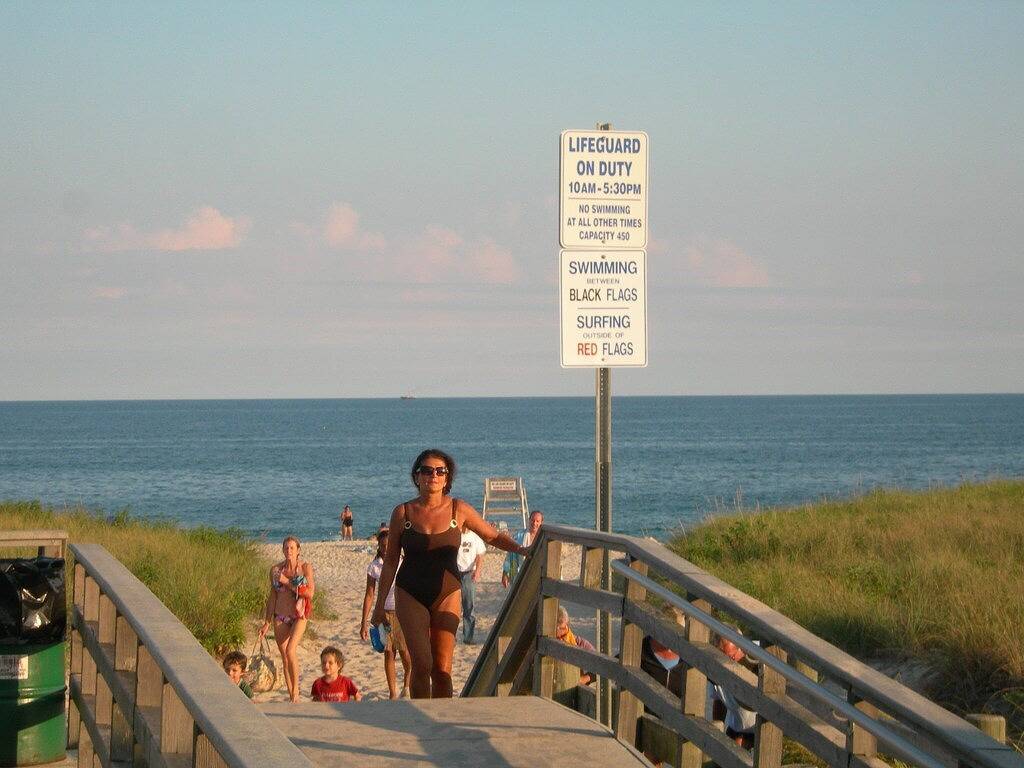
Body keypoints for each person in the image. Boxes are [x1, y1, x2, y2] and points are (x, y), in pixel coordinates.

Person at [370, 448, 530, 699]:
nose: (433, 475)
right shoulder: (402, 513)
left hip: (447, 591)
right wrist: (379, 605)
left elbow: (492, 535)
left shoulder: (459, 510)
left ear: (447, 478)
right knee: (421, 666)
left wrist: (522, 549)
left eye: (439, 471)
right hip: (410, 592)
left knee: (442, 669)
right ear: (417, 476)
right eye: (426, 470)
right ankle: (422, 718)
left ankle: (442, 721)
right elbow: (390, 562)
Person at [258, 536, 314, 702]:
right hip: (280, 616)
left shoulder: (305, 568)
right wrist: (267, 622)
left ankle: (296, 690)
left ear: (298, 551)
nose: (289, 551)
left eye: (292, 548)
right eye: (286, 548)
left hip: (299, 615)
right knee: (284, 656)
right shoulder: (275, 570)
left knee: (291, 650)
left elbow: (310, 593)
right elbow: (272, 597)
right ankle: (292, 696)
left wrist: (287, 582)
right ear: (282, 550)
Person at [360, 527, 411, 699]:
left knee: (405, 652)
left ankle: (407, 685)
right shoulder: (374, 566)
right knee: (389, 652)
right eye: (382, 545)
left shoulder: (404, 562)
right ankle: (392, 692)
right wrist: (364, 622)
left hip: (402, 611)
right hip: (383, 612)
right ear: (379, 546)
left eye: (388, 545)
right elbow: (369, 594)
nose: (385, 548)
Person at [710, 634, 758, 748]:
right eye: (723, 659)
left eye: (731, 657)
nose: (728, 663)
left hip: (761, 732)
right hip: (736, 730)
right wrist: (716, 732)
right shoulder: (716, 671)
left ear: (741, 648)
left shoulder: (758, 663)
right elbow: (719, 701)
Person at [456, 527, 486, 644]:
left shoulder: (475, 536)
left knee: (469, 606)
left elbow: (480, 554)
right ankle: (452, 637)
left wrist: (477, 570)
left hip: (469, 573)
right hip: (454, 572)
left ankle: (468, 636)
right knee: (453, 607)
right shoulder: (456, 534)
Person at [501, 509, 544, 588]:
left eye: (537, 521)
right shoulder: (519, 536)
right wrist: (505, 573)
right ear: (529, 520)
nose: (534, 523)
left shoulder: (543, 538)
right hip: (520, 575)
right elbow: (510, 556)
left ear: (541, 523)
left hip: (538, 575)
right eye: (533, 520)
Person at [554, 606, 595, 685]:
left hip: (573, 692)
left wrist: (584, 679)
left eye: (563, 628)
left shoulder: (578, 643)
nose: (562, 638)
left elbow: (601, 666)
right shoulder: (541, 644)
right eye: (557, 629)